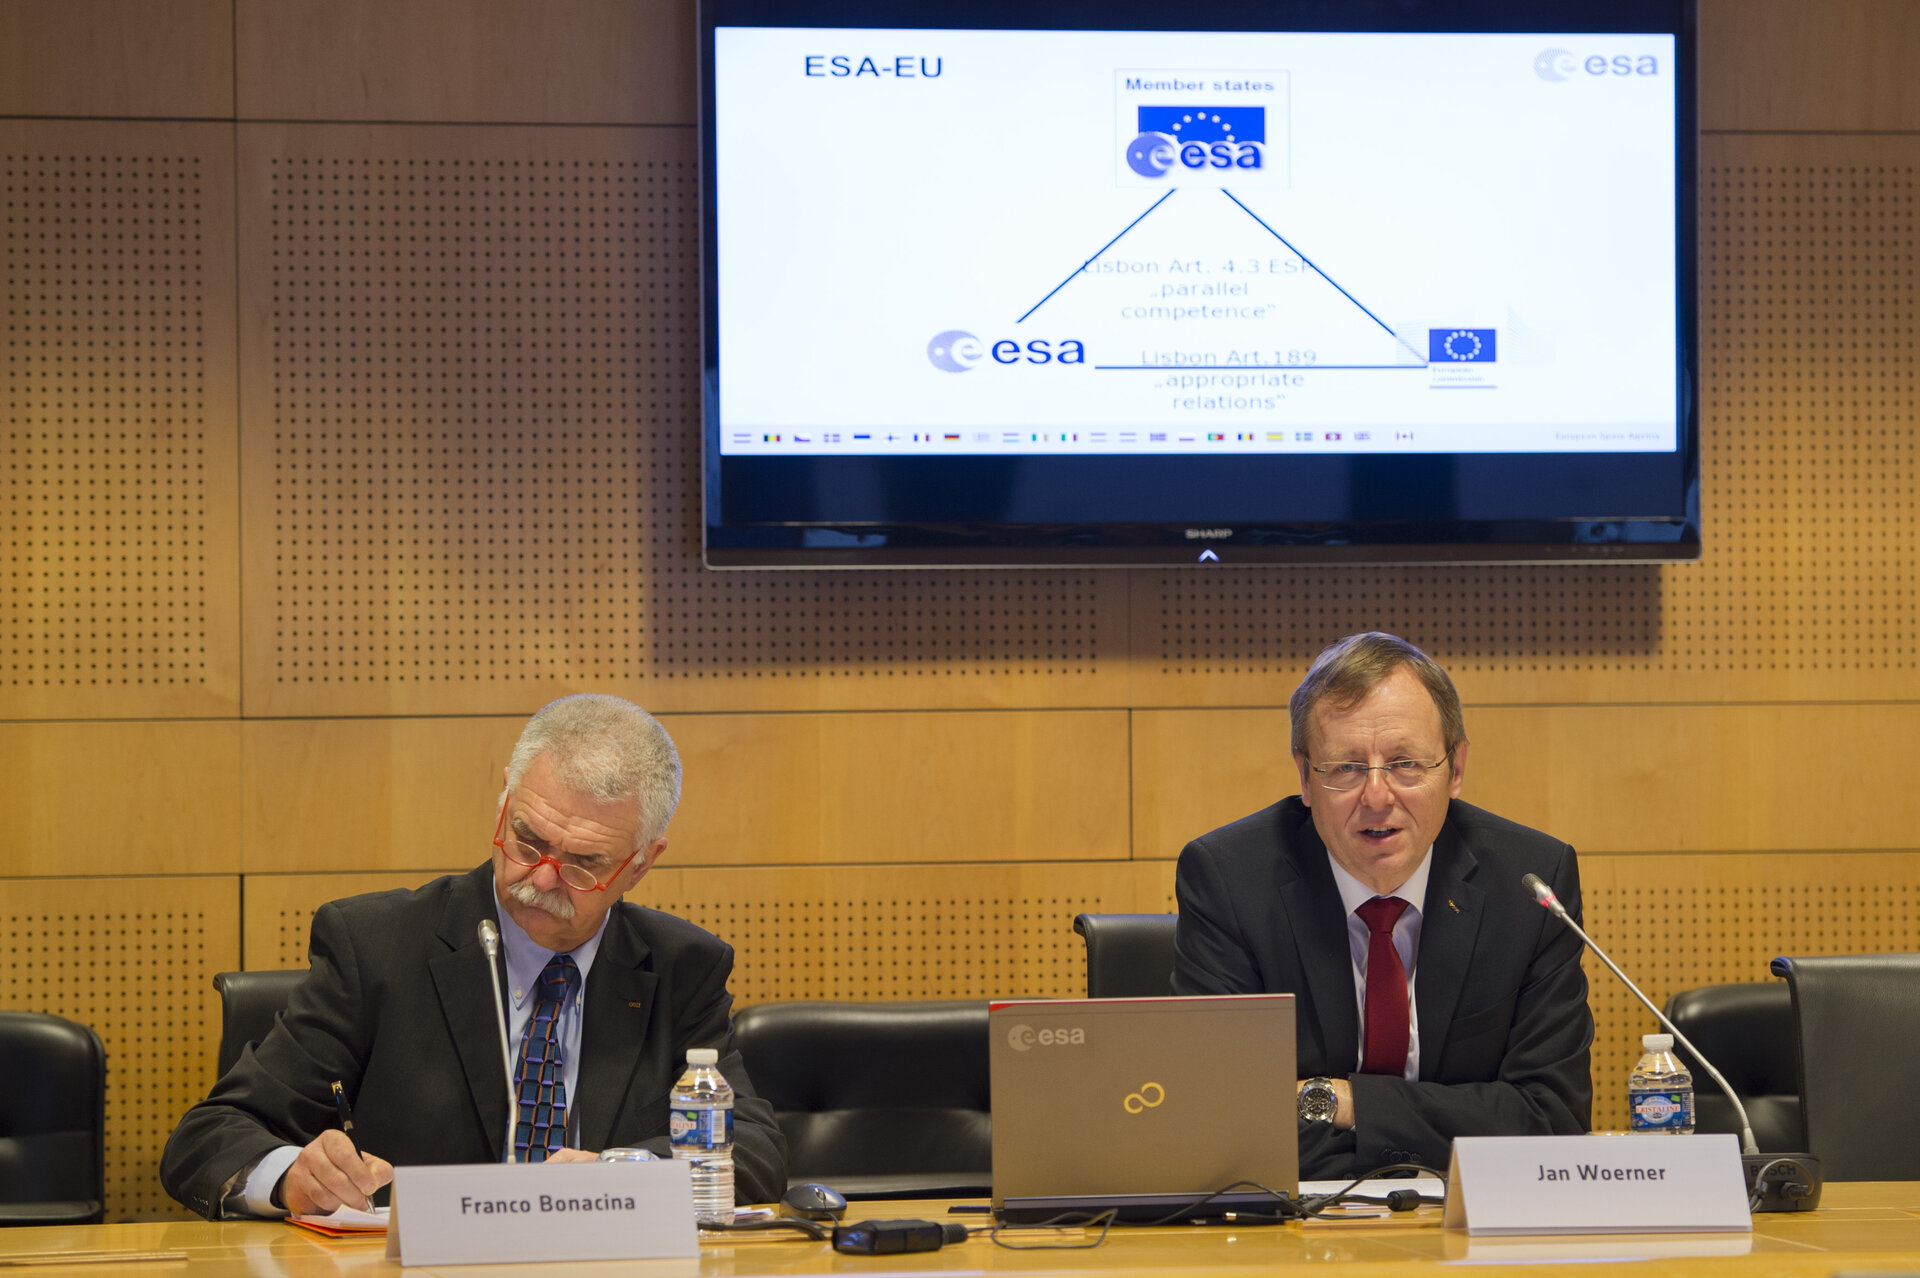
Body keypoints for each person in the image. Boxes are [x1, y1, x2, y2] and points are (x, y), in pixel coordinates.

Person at [162, 694, 786, 1218]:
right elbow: (209, 1137)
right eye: (528, 840)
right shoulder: (376, 946)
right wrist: (293, 1176)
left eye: (583, 863)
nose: (541, 878)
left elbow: (754, 1150)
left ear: (642, 863)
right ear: (502, 807)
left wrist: (626, 1173)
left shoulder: (682, 968)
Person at [1172, 632, 1592, 1179]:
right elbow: (1222, 1125)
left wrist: (1338, 1102)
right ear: (1305, 777)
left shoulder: (1530, 883)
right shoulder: (1230, 880)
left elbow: (1552, 1121)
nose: (1376, 796)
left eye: (1405, 764)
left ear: (1456, 770)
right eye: (1345, 767)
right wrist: (1446, 1136)